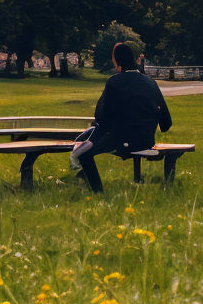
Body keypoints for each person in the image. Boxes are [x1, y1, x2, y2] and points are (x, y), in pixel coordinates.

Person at [70, 41, 172, 194]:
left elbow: (101, 117)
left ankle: (97, 192)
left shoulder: (114, 82)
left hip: (122, 141)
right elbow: (166, 123)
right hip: (146, 141)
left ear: (117, 62)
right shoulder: (151, 83)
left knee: (83, 153)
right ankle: (87, 183)